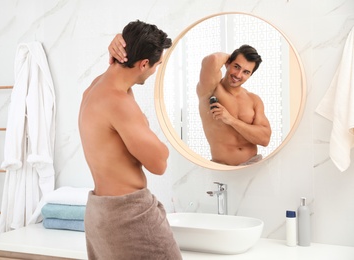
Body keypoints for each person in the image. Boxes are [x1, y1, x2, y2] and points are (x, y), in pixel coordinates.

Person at [78, 20, 182, 259]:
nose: (155, 70)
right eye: (157, 64)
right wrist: (146, 125)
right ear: (144, 63)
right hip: (128, 217)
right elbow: (159, 164)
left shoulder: (95, 89)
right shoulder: (119, 103)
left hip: (100, 215)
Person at [197, 45, 272, 166]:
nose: (238, 75)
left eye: (246, 72)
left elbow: (264, 139)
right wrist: (230, 57)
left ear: (250, 75)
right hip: (222, 167)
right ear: (227, 64)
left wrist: (230, 120)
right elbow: (213, 59)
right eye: (236, 66)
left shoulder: (254, 99)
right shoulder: (210, 89)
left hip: (253, 164)